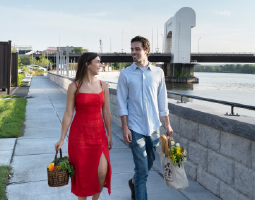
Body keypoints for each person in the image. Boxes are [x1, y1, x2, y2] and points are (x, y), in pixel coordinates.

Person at [117, 36, 173, 200]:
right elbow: (121, 104)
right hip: (135, 128)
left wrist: (167, 125)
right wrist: (125, 127)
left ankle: (134, 182)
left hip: (154, 127)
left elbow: (162, 102)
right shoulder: (125, 74)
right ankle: (138, 185)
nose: (133, 52)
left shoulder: (158, 73)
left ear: (146, 50)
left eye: (137, 49)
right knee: (142, 170)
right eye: (132, 49)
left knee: (148, 162)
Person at [54, 52, 113, 200]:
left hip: (99, 135)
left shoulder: (103, 85)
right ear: (87, 64)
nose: (100, 65)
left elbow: (106, 111)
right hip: (79, 137)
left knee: (102, 173)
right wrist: (62, 138)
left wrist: (110, 134)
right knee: (82, 175)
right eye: (97, 62)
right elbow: (68, 113)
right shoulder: (74, 86)